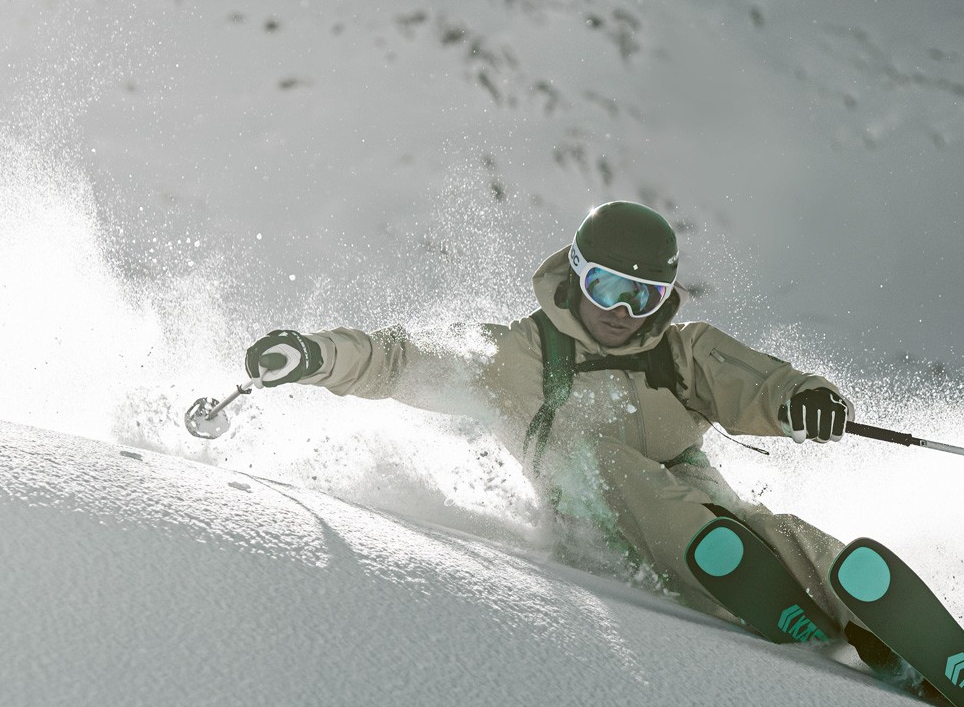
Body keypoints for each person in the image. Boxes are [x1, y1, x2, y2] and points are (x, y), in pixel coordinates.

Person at [241, 200, 898, 669]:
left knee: (749, 519)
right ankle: (728, 569)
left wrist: (809, 401)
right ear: (577, 274)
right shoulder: (519, 356)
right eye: (609, 288)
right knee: (609, 464)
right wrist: (317, 354)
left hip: (689, 492)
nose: (620, 311)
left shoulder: (683, 350)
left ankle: (864, 610)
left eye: (642, 297)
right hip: (585, 508)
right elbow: (401, 357)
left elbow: (761, 383)